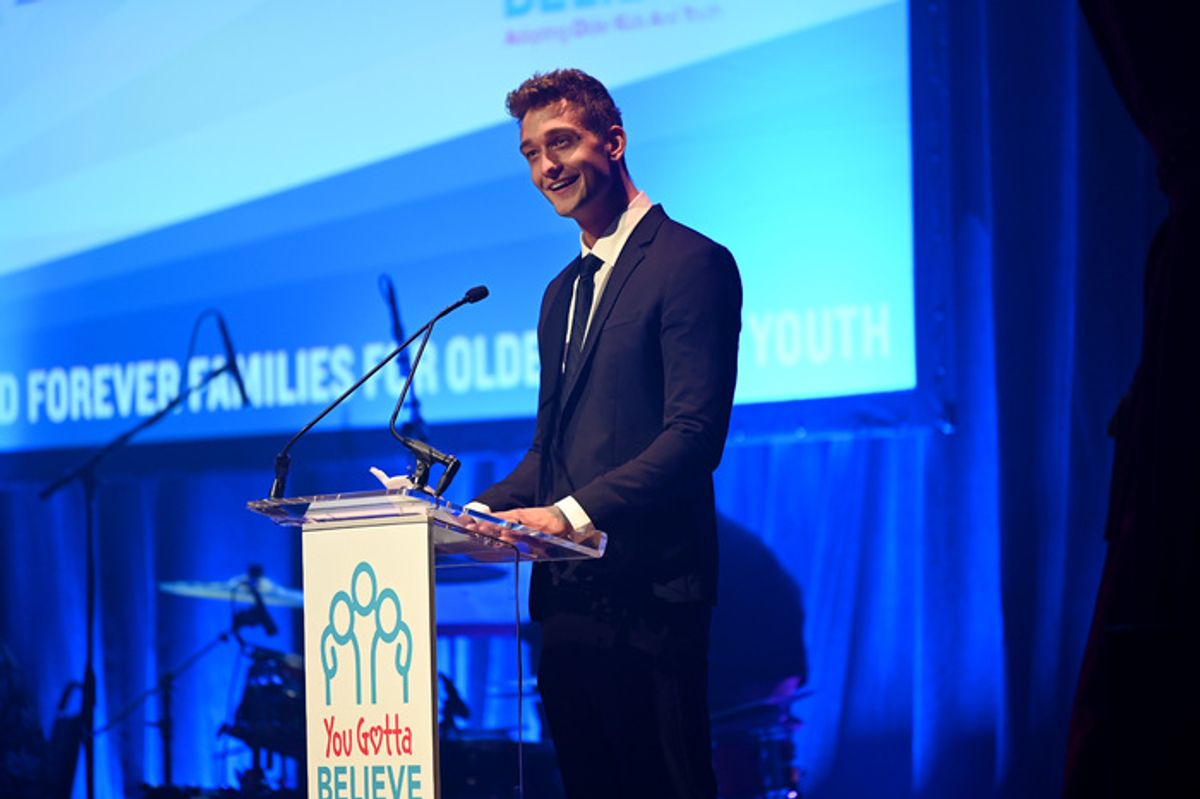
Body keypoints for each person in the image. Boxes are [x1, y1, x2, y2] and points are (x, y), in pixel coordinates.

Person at [470, 68, 742, 799]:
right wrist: (472, 516)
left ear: (614, 141)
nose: (544, 167)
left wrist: (568, 515)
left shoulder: (692, 264)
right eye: (530, 152)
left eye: (560, 142)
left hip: (650, 595)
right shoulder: (561, 292)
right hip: (566, 603)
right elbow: (548, 452)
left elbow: (695, 435)